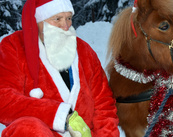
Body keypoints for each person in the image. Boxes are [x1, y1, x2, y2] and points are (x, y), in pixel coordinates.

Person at [0, 0, 119, 136]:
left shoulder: (83, 50)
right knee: (27, 128)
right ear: (38, 21)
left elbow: (104, 103)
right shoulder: (14, 47)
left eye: (69, 18)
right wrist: (62, 116)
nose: (66, 26)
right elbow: (4, 100)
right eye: (57, 19)